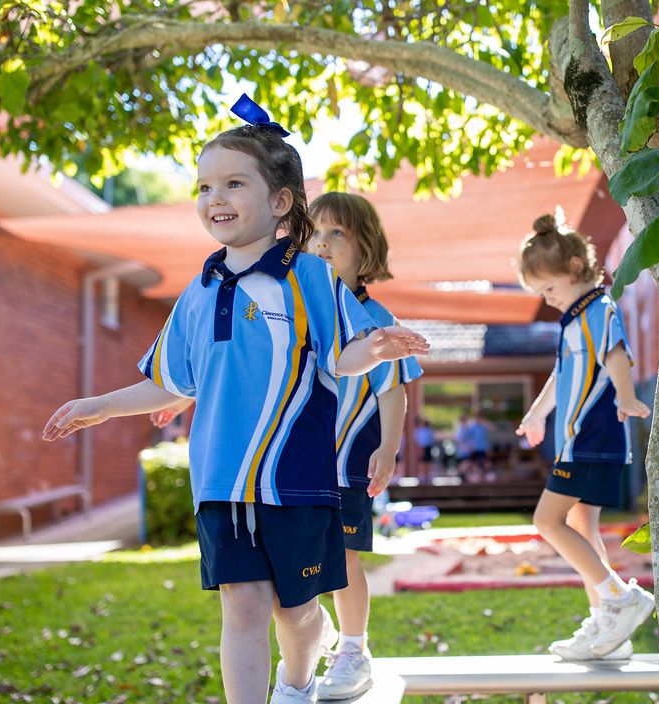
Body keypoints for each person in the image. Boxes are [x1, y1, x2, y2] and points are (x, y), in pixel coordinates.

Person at [42, 95, 429, 704]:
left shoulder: (312, 277)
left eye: (232, 183)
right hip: (221, 483)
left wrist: (377, 349)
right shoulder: (197, 292)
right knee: (243, 606)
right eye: (203, 186)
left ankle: (300, 671)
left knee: (295, 612)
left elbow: (340, 357)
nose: (213, 198)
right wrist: (100, 405)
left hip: (296, 482)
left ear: (280, 201)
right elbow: (171, 382)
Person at [515, 213, 655, 661]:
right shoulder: (574, 319)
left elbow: (616, 354)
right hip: (579, 440)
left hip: (592, 439)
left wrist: (628, 397)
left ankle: (619, 597)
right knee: (580, 525)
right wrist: (537, 416)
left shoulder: (599, 309)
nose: (548, 300)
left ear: (576, 268)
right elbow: (561, 376)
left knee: (546, 520)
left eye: (549, 289)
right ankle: (608, 631)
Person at [305, 191, 423, 700]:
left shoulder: (375, 316)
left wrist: (389, 446)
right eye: (315, 232)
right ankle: (323, 632)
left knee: (345, 557)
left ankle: (354, 649)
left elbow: (392, 389)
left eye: (337, 233)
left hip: (351, 455)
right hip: (293, 459)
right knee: (293, 560)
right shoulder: (295, 307)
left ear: (364, 247)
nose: (323, 243)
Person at [413, 417, 436, 482]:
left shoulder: (425, 431)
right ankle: (423, 475)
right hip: (423, 447)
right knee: (423, 462)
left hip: (426, 447)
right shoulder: (420, 430)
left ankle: (427, 475)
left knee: (426, 462)